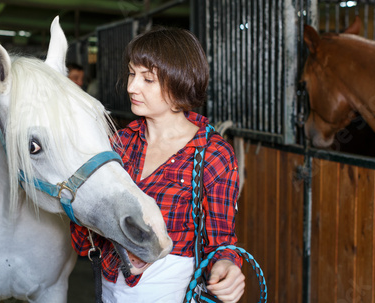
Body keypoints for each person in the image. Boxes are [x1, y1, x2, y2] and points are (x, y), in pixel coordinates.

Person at [70, 27, 245, 303]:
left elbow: (220, 240)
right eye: (131, 73)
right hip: (108, 291)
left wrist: (226, 266)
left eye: (147, 79)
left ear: (180, 83)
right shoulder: (119, 144)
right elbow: (84, 238)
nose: (131, 87)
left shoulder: (212, 154)